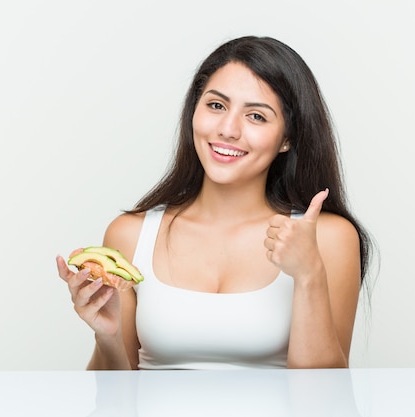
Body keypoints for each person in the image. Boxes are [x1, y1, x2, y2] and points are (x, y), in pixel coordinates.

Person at [56, 35, 373, 370]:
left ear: (287, 139)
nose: (228, 129)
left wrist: (309, 275)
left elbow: (325, 400)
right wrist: (108, 337)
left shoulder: (327, 238)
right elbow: (113, 399)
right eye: (216, 106)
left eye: (256, 116)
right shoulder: (130, 235)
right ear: (195, 110)